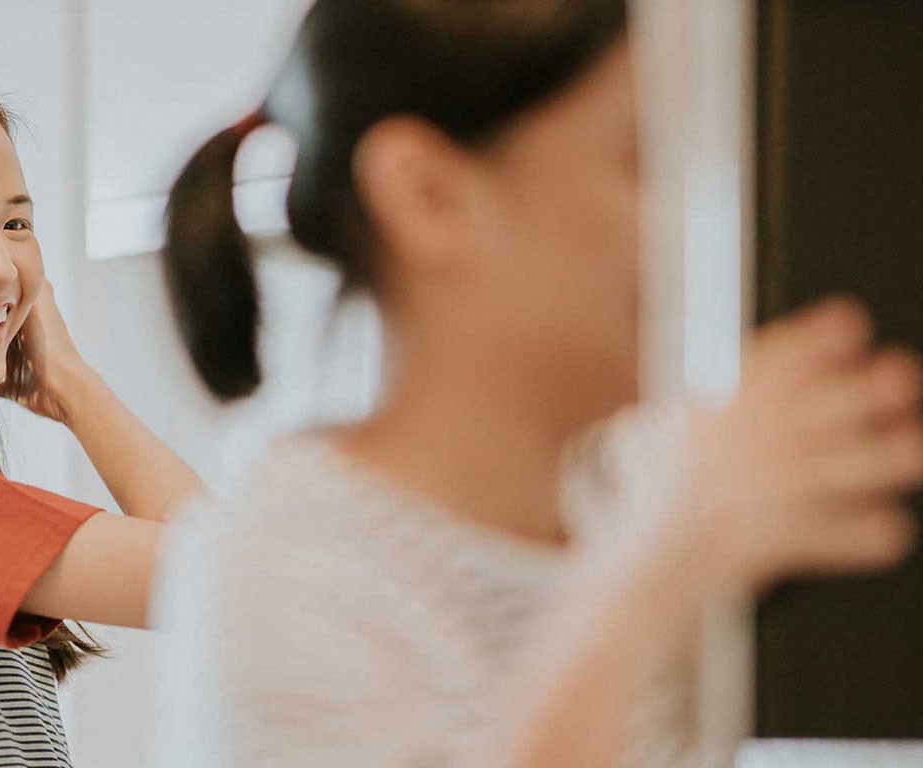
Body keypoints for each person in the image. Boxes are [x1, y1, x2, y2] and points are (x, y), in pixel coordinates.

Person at [153, 0, 923, 765]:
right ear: (428, 196)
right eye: (639, 162)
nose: (689, 221)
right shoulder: (276, 573)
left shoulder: (665, 477)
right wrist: (655, 578)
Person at [0, 61, 202, 768]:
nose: (1, 264)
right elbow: (230, 580)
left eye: (16, 223)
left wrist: (70, 384)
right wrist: (71, 384)